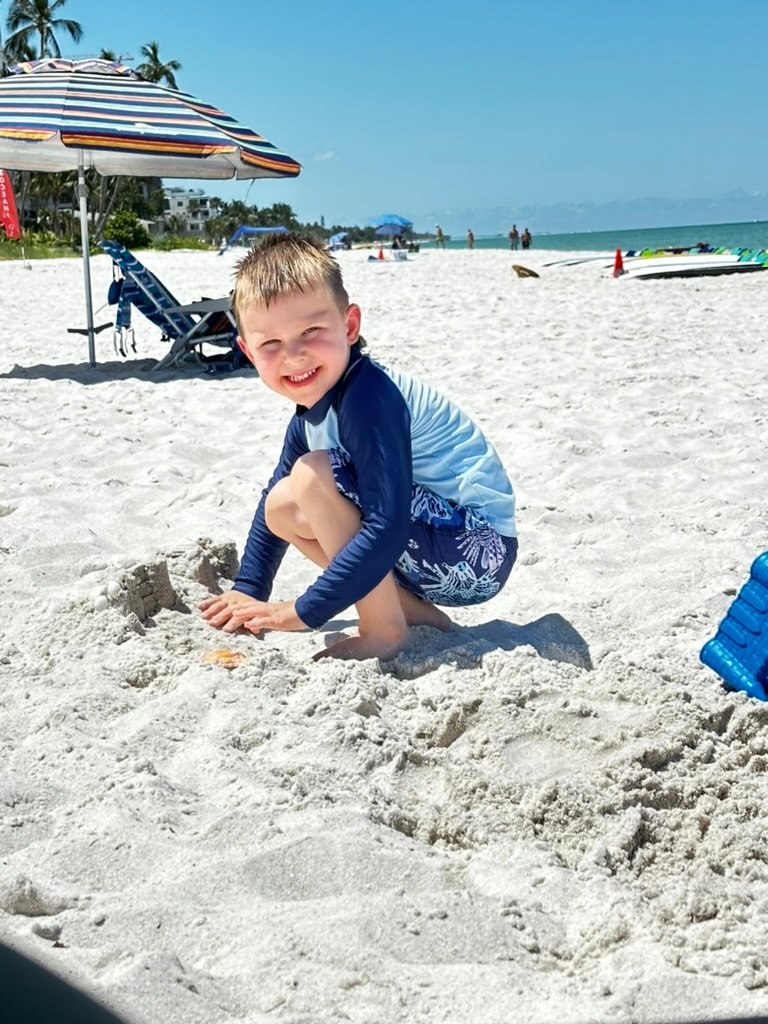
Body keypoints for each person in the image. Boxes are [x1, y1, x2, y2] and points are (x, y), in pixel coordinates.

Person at [200, 233, 518, 661]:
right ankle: (420, 618)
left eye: (310, 331)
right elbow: (270, 508)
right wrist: (248, 589)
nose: (294, 356)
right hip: (437, 549)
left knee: (313, 475)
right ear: (248, 351)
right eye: (270, 344)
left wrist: (304, 611)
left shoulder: (369, 397)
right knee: (282, 504)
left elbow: (385, 527)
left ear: (349, 327)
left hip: (479, 548)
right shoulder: (310, 412)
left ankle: (384, 629)